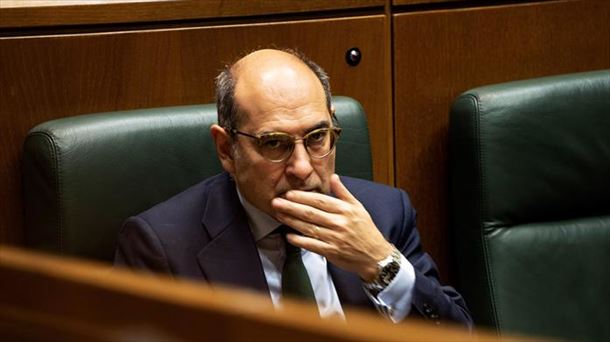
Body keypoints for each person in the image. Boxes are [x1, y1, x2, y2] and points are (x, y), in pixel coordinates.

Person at [115, 48, 472, 327]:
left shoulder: (384, 212)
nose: (302, 167)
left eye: (317, 137)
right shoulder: (161, 248)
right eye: (274, 144)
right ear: (227, 149)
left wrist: (381, 264)